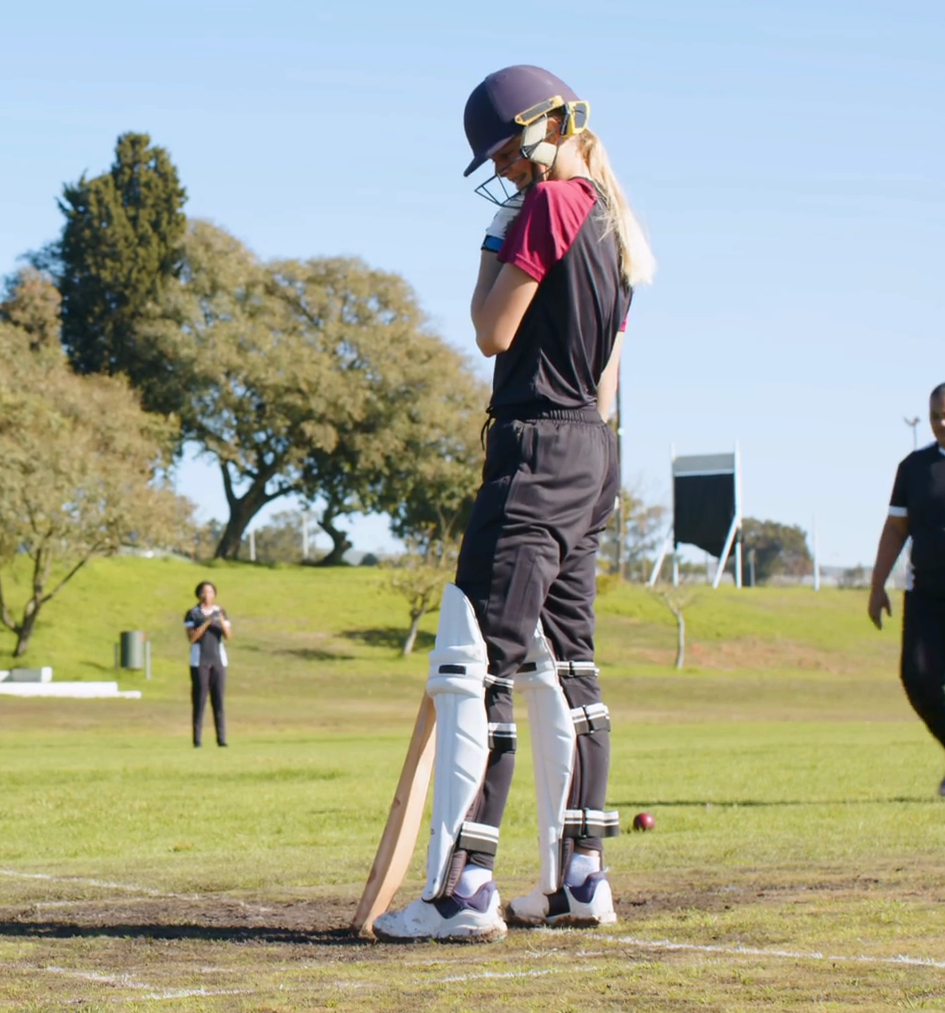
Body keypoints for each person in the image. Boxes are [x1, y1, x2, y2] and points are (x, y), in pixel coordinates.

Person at [374, 64, 654, 943]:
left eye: (503, 152)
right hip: (592, 448)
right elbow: (607, 382)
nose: (502, 170)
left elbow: (490, 330)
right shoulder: (614, 222)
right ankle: (580, 877)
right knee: (570, 668)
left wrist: (493, 248)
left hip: (534, 446)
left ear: (542, 128)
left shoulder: (547, 206)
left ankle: (463, 889)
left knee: (477, 662)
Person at [867, 380, 945, 800]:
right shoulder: (915, 467)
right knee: (917, 676)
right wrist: (877, 584)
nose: (942, 423)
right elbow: (896, 528)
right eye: (935, 416)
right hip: (927, 595)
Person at [183, 581, 231, 748]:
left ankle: (221, 739)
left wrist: (221, 621)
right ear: (199, 594)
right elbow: (192, 638)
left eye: (210, 592)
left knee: (218, 700)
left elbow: (228, 636)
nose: (207, 595)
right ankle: (197, 740)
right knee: (199, 700)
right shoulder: (193, 613)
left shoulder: (220, 611)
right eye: (204, 592)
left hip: (218, 660)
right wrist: (205, 623)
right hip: (199, 661)